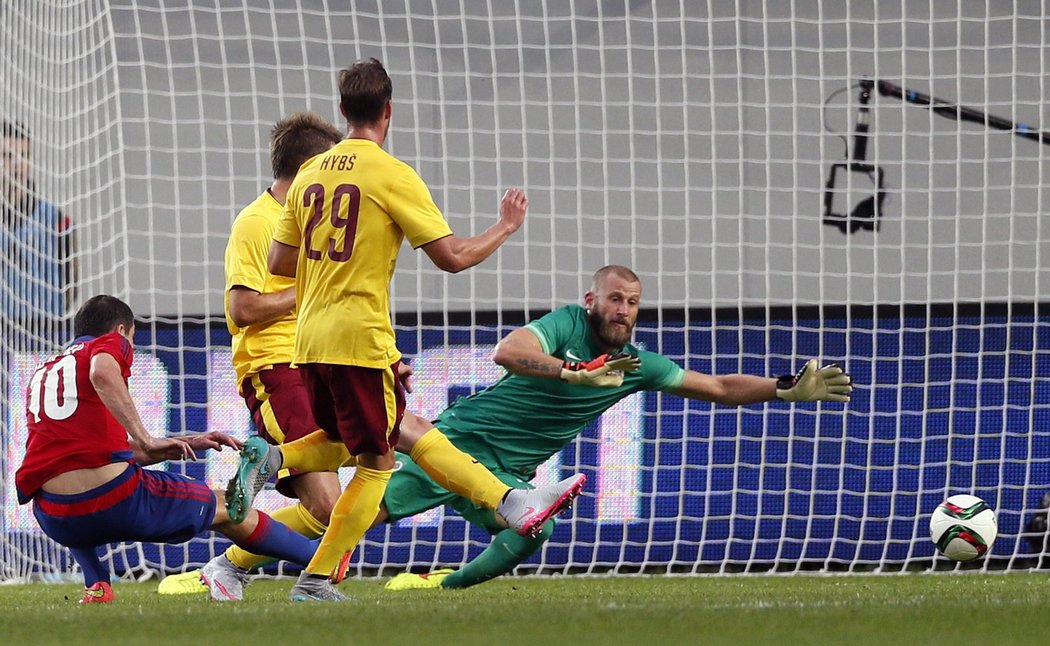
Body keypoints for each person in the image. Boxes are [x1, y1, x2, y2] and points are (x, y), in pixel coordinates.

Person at [159, 112, 583, 601]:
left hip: (328, 355)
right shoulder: (256, 222)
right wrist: (309, 291)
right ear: (314, 165)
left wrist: (381, 355)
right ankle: (248, 566)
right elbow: (240, 308)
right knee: (331, 503)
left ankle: (512, 501)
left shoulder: (312, 212)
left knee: (412, 432)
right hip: (277, 369)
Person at [237, 58, 547, 602]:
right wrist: (505, 226)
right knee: (377, 464)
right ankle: (314, 580)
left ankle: (276, 459)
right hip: (359, 340)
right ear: (388, 110)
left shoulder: (309, 174)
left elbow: (282, 261)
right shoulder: (392, 174)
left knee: (356, 439)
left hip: (307, 341)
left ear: (342, 110)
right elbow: (452, 258)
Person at [382, 265, 853, 591]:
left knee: (534, 531)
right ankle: (311, 572)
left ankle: (437, 586)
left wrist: (784, 386)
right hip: (458, 446)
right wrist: (573, 372)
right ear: (592, 301)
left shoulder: (635, 366)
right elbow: (507, 351)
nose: (623, 309)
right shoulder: (567, 325)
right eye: (614, 299)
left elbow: (718, 386)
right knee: (346, 516)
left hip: (505, 473)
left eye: (632, 302)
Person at [15, 295, 323, 603]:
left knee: (70, 490)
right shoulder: (108, 344)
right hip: (115, 501)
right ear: (121, 330)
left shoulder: (44, 372)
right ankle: (322, 559)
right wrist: (147, 438)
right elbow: (101, 371)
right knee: (229, 507)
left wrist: (182, 444)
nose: (130, 349)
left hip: (55, 518)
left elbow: (91, 455)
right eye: (132, 340)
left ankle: (97, 585)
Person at [1, 120, 76, 349]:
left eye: (23, 155)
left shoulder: (55, 217)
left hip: (42, 338)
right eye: (7, 155)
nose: (17, 164)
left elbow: (71, 280)